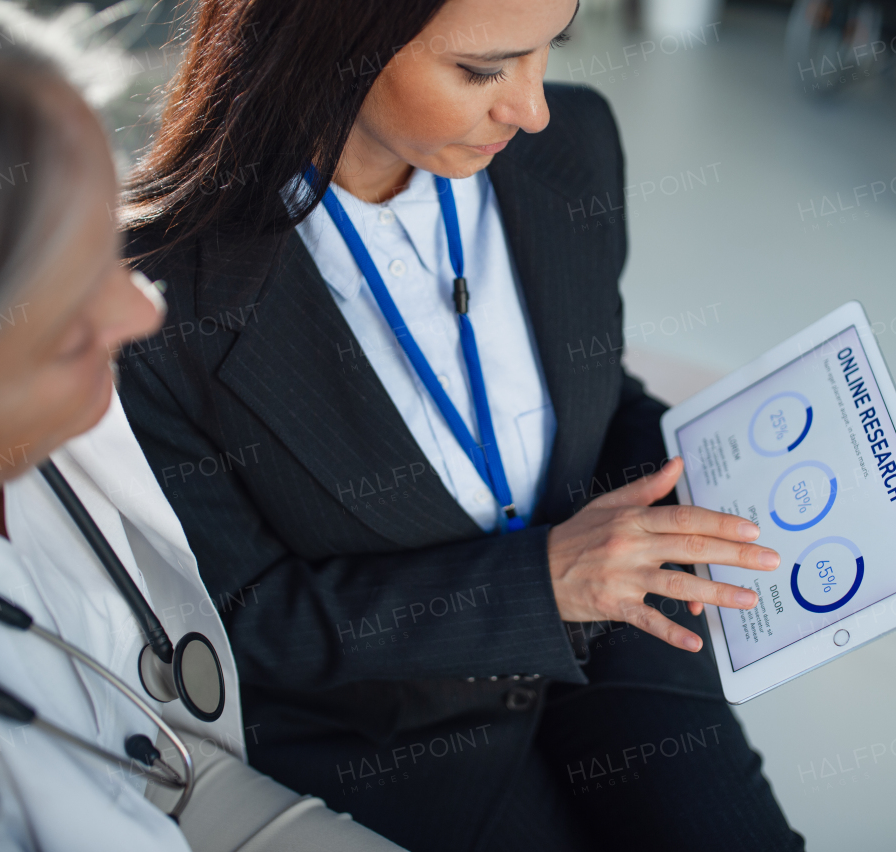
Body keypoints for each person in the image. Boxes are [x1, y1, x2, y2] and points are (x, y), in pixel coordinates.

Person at [118, 0, 807, 849]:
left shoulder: (573, 146)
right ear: (329, 41)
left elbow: (597, 392)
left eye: (550, 49)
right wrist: (540, 586)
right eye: (483, 71)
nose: (533, 107)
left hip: (623, 638)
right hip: (404, 740)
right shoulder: (154, 303)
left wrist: (713, 469)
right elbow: (245, 621)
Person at [0, 1, 406, 849]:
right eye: (72, 312)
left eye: (105, 246)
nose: (142, 312)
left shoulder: (46, 442)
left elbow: (144, 746)